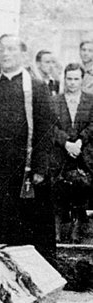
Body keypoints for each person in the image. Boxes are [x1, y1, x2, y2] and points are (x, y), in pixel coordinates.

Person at [0, 34, 56, 263]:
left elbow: (46, 128)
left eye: (11, 49)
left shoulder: (36, 87)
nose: (5, 54)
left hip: (23, 168)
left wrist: (40, 167)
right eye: (2, 49)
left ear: (23, 55)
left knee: (23, 222)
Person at [50, 63, 93, 242]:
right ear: (64, 79)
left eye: (76, 79)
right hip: (61, 155)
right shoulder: (54, 101)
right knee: (59, 194)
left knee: (82, 192)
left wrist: (80, 142)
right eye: (69, 79)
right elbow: (50, 127)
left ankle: (78, 233)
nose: (72, 83)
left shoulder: (91, 100)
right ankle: (58, 235)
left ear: (82, 80)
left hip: (84, 156)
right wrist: (66, 143)